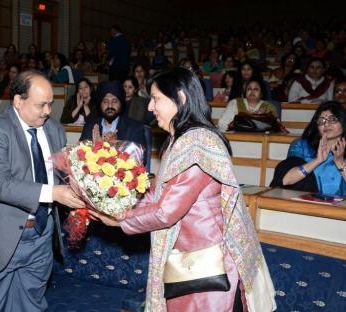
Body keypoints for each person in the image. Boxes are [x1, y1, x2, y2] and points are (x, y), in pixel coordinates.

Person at [90, 67, 276, 312]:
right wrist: (113, 200)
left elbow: (167, 211)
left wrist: (119, 220)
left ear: (181, 98)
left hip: (207, 268)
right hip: (185, 262)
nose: (149, 107)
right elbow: (156, 194)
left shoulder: (197, 144)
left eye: (156, 99)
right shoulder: (176, 142)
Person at [0, 70, 84, 312]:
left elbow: (63, 173)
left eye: (50, 104)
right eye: (40, 105)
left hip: (41, 235)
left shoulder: (54, 129)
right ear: (18, 101)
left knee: (31, 304)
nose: (47, 111)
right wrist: (53, 193)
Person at [271, 101, 345, 195]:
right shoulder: (302, 146)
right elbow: (285, 180)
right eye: (321, 121)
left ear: (343, 122)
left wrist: (341, 164)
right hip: (306, 204)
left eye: (332, 119)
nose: (326, 124)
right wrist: (317, 161)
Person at [79, 80, 147, 150]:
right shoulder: (90, 127)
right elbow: (79, 156)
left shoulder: (135, 128)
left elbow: (140, 157)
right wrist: (96, 147)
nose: (110, 106)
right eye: (105, 101)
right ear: (100, 104)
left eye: (114, 101)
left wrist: (117, 145)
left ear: (121, 104)